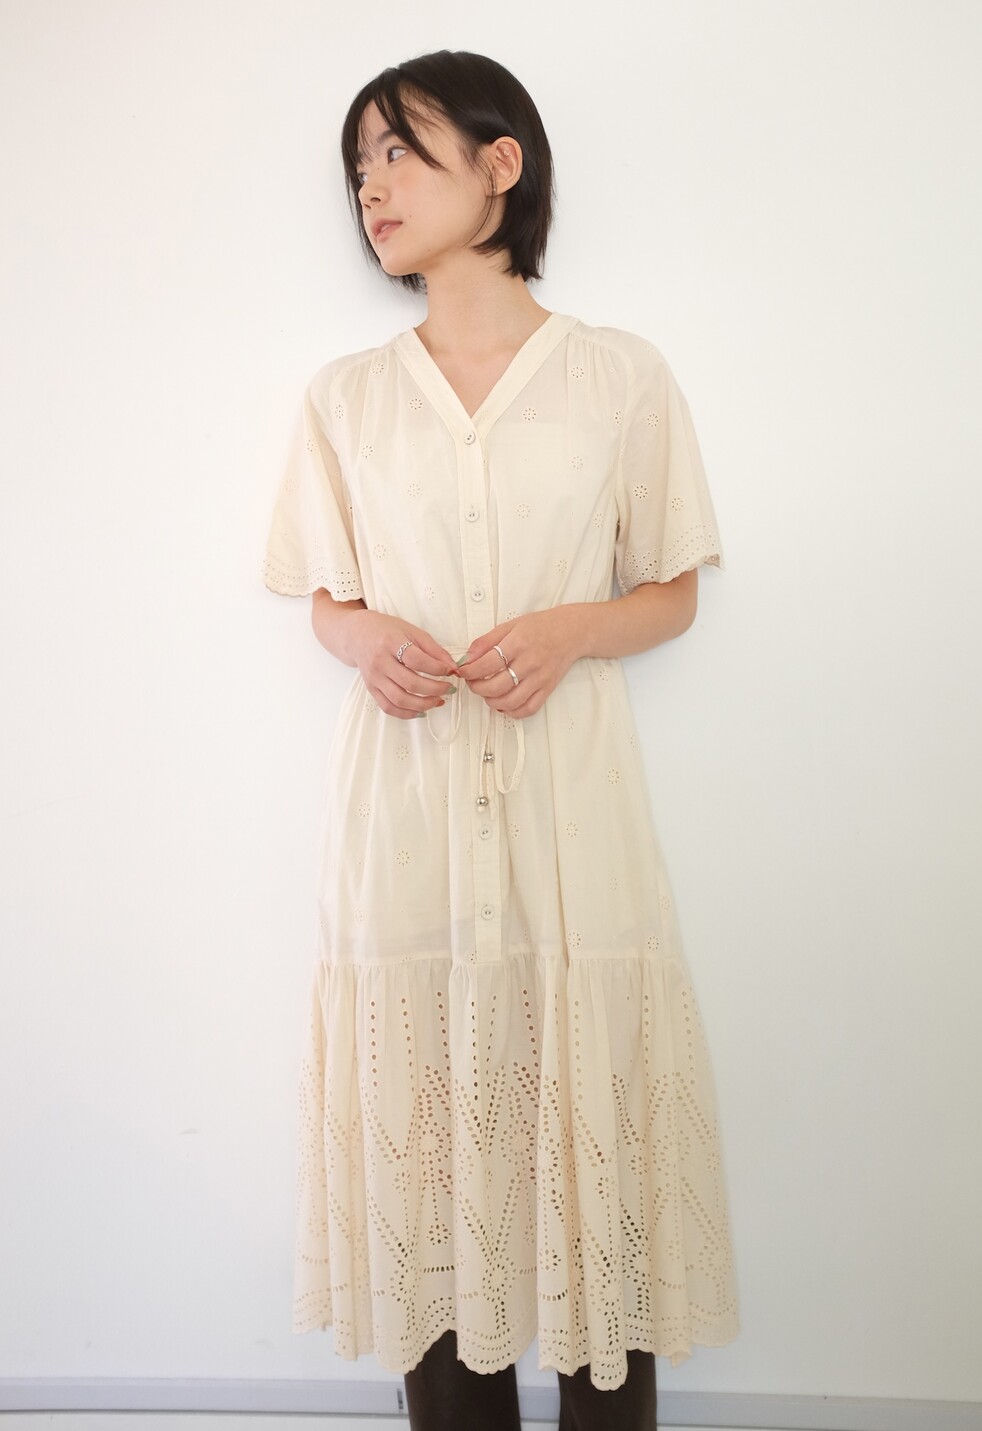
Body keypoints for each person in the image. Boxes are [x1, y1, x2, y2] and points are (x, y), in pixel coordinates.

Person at [263, 49, 738, 1431]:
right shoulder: (345, 398)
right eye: (358, 164)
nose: (371, 185)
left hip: (572, 822)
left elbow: (673, 590)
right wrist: (366, 641)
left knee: (601, 1184)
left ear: (500, 164)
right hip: (408, 820)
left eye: (398, 150)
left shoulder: (618, 377)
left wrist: (573, 630)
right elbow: (325, 600)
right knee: (432, 1183)